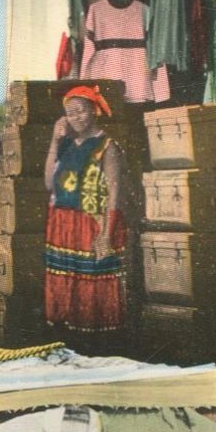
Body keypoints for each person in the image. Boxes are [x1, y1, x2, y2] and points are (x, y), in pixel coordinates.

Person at [44, 84, 128, 340]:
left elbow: (114, 192)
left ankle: (96, 344)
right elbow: (49, 183)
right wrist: (54, 140)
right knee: (66, 279)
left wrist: (106, 233)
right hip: (61, 222)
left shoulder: (107, 146)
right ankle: (69, 338)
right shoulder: (66, 145)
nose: (75, 118)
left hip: (92, 222)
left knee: (91, 281)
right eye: (70, 114)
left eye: (80, 111)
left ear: (94, 110)